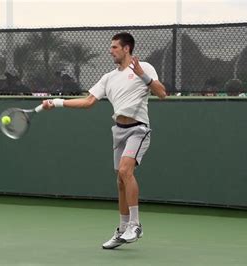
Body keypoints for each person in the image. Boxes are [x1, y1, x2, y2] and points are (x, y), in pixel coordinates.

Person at [41, 32, 166, 249]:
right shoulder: (108, 77)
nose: (111, 51)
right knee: (120, 182)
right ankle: (122, 229)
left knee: (126, 171)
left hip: (138, 129)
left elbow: (162, 93)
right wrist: (57, 102)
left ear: (127, 48)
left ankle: (136, 225)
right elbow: (88, 101)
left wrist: (143, 76)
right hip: (119, 130)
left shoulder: (143, 67)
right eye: (112, 47)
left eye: (115, 47)